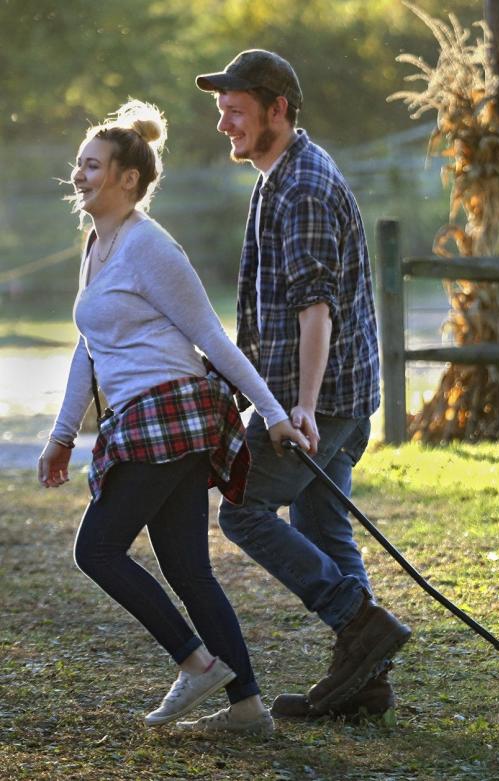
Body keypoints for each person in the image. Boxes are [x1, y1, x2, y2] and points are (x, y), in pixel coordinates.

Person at [38, 100, 310, 735]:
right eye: (78, 165)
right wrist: (59, 435)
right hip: (145, 418)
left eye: (93, 166)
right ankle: (246, 709)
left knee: (97, 549)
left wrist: (271, 415)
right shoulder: (97, 245)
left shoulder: (149, 247)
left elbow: (213, 341)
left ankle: (195, 662)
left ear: (128, 178)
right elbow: (91, 346)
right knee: (188, 568)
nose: (79, 176)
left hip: (171, 414)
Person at [195, 49, 409, 720]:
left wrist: (304, 408)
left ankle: (357, 620)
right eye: (222, 111)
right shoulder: (276, 176)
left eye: (236, 111)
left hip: (322, 399)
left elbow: (317, 308)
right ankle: (365, 679)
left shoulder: (305, 186)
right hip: (324, 395)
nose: (225, 124)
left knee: (243, 509)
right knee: (322, 523)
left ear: (278, 110)